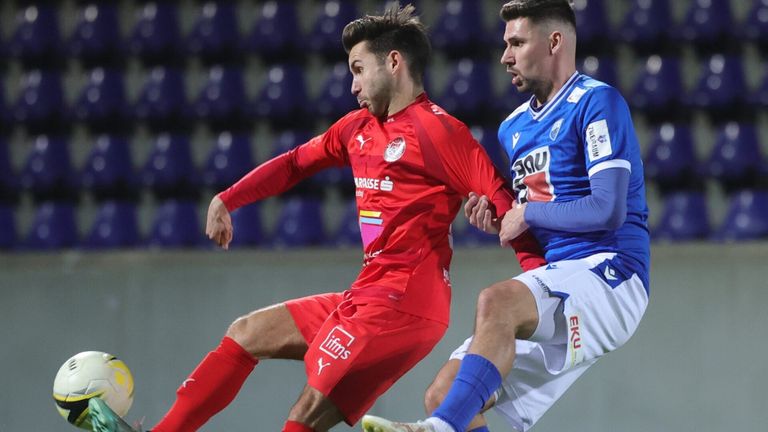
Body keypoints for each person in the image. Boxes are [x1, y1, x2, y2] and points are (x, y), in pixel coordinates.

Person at [87, 4, 546, 432]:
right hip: (368, 293)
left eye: (358, 70)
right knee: (247, 333)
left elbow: (505, 204)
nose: (352, 85)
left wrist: (539, 289)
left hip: (403, 305)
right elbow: (292, 164)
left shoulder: (440, 131)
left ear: (393, 63)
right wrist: (227, 199)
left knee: (306, 408)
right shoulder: (357, 128)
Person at [361, 1, 651, 431]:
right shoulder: (512, 128)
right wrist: (507, 220)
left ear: (554, 41)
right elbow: (540, 217)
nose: (505, 56)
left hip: (612, 274)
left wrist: (528, 213)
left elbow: (608, 210)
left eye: (516, 42)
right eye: (504, 44)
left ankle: (437, 431)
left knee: (495, 302)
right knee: (446, 394)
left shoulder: (596, 102)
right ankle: (445, 422)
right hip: (560, 281)